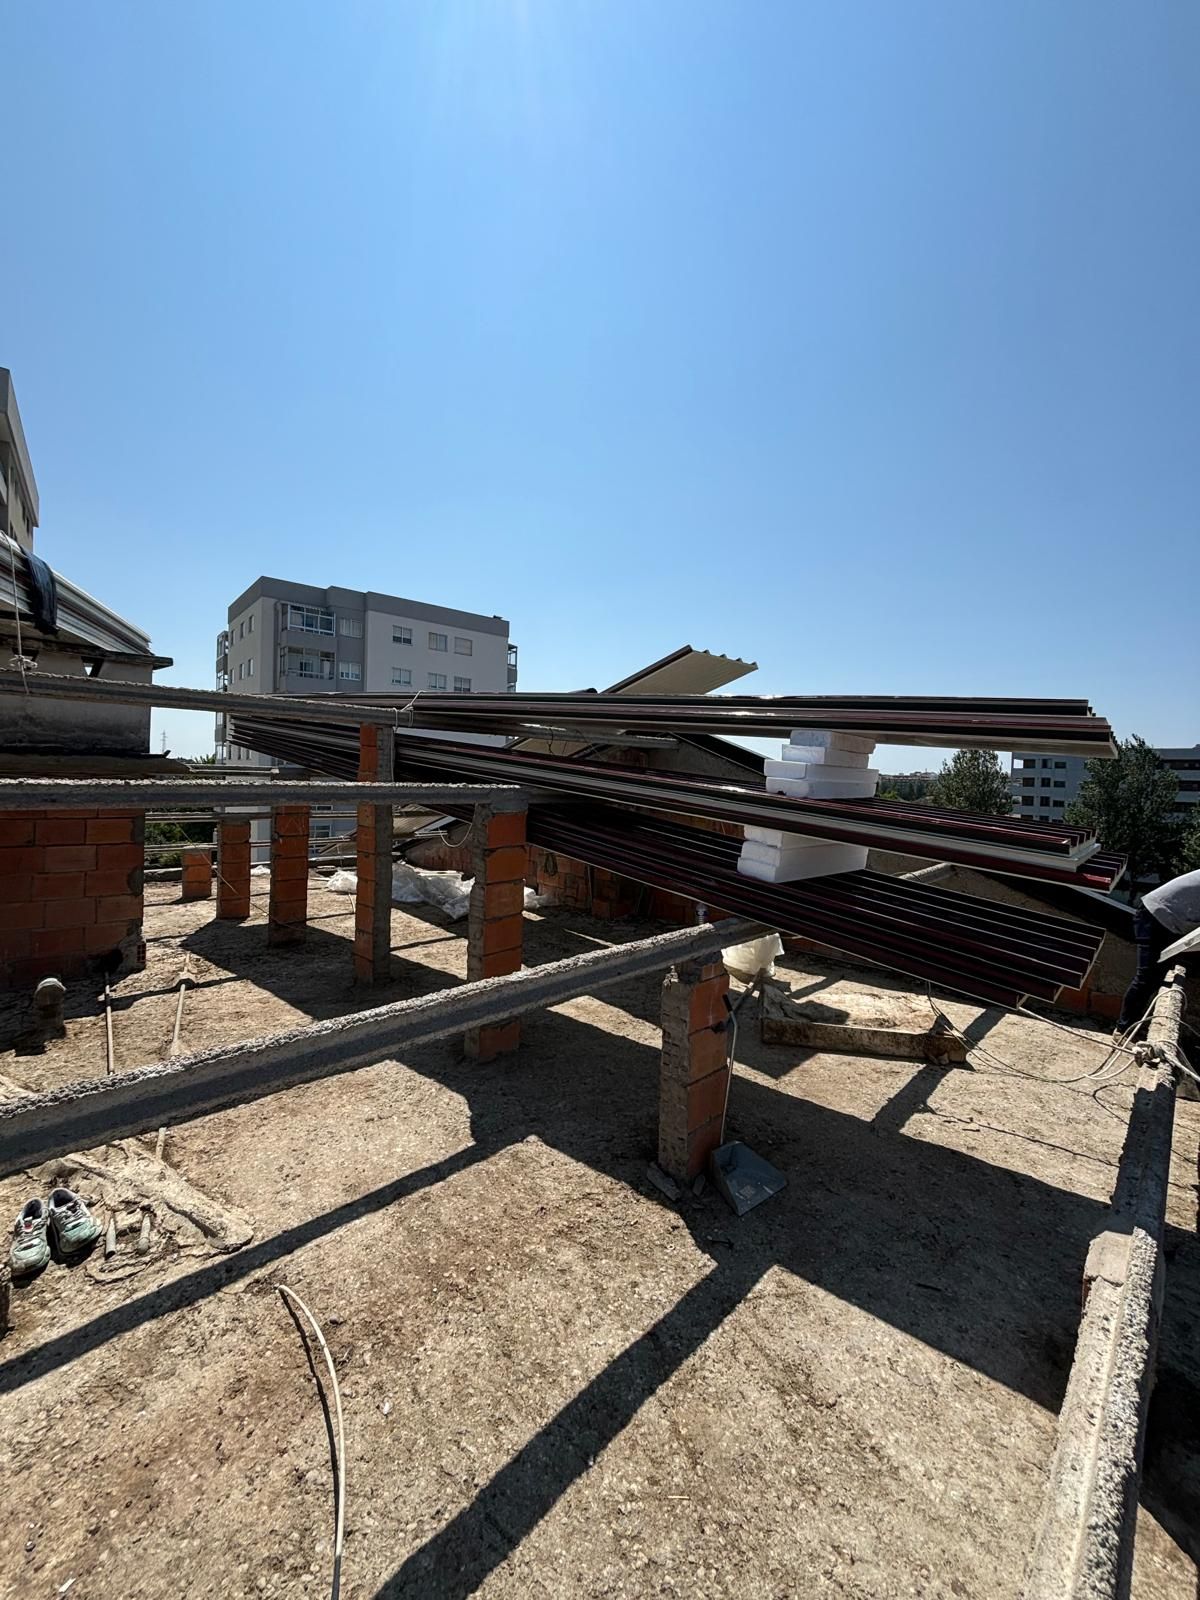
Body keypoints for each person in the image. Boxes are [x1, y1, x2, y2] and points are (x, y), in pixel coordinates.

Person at [1117, 868, 1200, 1034]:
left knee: (1155, 976)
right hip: (1156, 917)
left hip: (1170, 920)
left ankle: (1132, 1026)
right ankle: (1123, 1030)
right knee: (1147, 977)